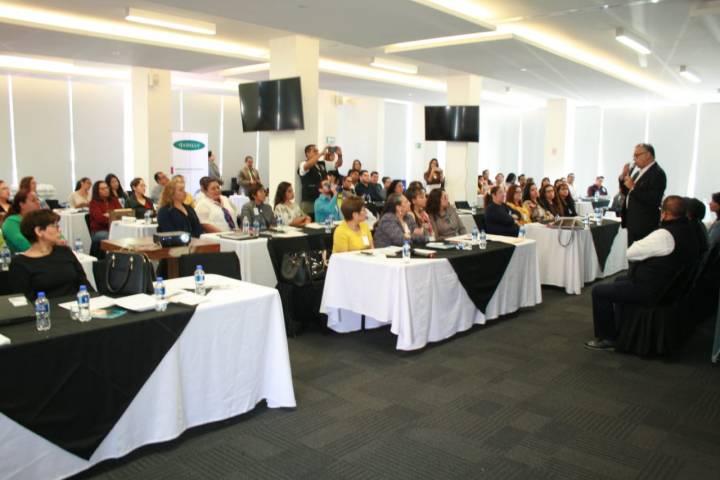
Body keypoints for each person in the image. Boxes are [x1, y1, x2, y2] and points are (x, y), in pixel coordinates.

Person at [585, 196, 702, 350]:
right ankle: (624, 328)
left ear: (665, 214)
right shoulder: (690, 230)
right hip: (672, 286)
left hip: (654, 289)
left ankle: (608, 339)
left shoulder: (665, 235)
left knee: (598, 291)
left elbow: (631, 252)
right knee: (619, 280)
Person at [10, 210, 90, 300]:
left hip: (78, 304)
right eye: (54, 226)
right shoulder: (20, 263)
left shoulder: (64, 251)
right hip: (45, 307)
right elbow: (25, 299)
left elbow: (84, 283)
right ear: (39, 231)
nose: (59, 230)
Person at [619, 143, 667, 245]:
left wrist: (633, 187)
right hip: (631, 221)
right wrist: (623, 177)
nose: (634, 159)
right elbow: (626, 192)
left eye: (637, 155)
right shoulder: (638, 173)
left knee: (639, 253)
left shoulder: (657, 173)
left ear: (648, 155)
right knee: (630, 251)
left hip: (644, 224)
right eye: (634, 156)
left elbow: (654, 199)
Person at [299, 144, 343, 214]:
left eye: (317, 151)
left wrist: (340, 155)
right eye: (314, 151)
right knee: (309, 219)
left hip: (322, 199)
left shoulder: (321, 164)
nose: (317, 152)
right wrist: (321, 153)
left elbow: (337, 165)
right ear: (307, 153)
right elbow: (306, 166)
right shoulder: (303, 163)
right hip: (309, 200)